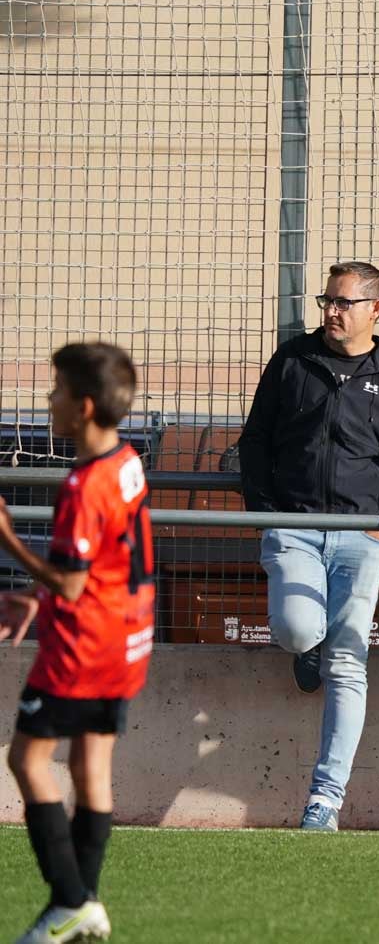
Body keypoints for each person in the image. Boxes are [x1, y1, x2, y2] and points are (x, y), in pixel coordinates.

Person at [237, 261, 379, 831]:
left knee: (349, 663)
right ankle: (307, 647)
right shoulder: (293, 360)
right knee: (297, 628)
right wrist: (266, 515)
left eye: (343, 302)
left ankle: (325, 801)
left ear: (375, 309)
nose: (331, 311)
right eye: (327, 300)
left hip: (362, 535)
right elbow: (255, 439)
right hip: (292, 527)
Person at [0, 343, 154, 943]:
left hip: (82, 650)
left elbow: (70, 580)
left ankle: (69, 902)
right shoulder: (127, 460)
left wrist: (8, 539)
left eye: (57, 389)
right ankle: (87, 905)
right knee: (92, 771)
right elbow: (106, 563)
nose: (49, 400)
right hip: (126, 639)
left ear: (84, 406)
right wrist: (35, 599)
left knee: (26, 760)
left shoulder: (84, 485)